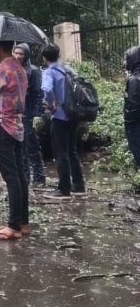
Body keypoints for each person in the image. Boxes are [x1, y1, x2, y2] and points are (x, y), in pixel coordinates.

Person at [0, 40, 30, 240]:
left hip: (2, 127)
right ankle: (23, 223)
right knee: (19, 176)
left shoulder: (1, 71)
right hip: (17, 127)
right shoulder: (21, 70)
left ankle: (13, 227)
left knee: (11, 178)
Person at [41, 45, 86, 199]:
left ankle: (64, 189)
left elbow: (47, 90)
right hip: (72, 115)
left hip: (59, 116)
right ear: (58, 55)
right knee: (72, 151)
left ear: (44, 58)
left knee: (61, 153)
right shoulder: (67, 70)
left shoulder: (49, 72)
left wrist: (51, 105)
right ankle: (79, 186)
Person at [13, 43, 46, 187]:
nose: (18, 56)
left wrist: (38, 114)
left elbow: (39, 93)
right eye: (16, 53)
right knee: (20, 148)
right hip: (15, 115)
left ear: (26, 55)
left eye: (21, 54)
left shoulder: (32, 71)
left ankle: (39, 178)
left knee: (32, 147)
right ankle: (25, 177)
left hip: (29, 115)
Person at [124, 46, 140, 169]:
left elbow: (133, 105)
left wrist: (128, 123)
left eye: (127, 59)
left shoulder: (135, 80)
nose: (125, 62)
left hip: (136, 125)